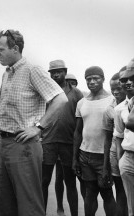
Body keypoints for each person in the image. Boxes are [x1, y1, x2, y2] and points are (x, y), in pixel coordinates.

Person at [0, 29, 67, 216]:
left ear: (15, 48)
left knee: (29, 204)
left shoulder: (33, 70)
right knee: (7, 204)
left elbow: (60, 99)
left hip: (23, 145)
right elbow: (2, 102)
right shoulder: (7, 73)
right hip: (5, 143)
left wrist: (38, 127)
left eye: (0, 49)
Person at [73, 66, 116, 216]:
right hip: (85, 155)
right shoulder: (82, 103)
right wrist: (75, 158)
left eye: (95, 78)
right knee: (89, 194)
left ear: (103, 79)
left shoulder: (112, 100)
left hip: (104, 156)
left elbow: (114, 133)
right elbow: (78, 132)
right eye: (88, 79)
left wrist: (107, 164)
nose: (91, 82)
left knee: (107, 194)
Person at [42, 60, 83, 216]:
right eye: (53, 72)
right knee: (44, 181)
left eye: (59, 71)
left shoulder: (77, 93)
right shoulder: (45, 91)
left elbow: (81, 119)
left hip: (68, 143)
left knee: (70, 182)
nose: (56, 74)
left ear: (65, 72)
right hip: (48, 141)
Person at [102, 69, 128, 216]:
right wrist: (105, 165)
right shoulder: (109, 110)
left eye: (118, 88)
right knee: (120, 190)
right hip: (115, 154)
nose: (116, 92)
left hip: (130, 151)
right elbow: (106, 138)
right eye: (113, 89)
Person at [115, 58, 134, 216]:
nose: (128, 82)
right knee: (131, 207)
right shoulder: (120, 108)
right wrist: (122, 161)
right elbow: (120, 135)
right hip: (128, 158)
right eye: (124, 79)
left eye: (132, 78)